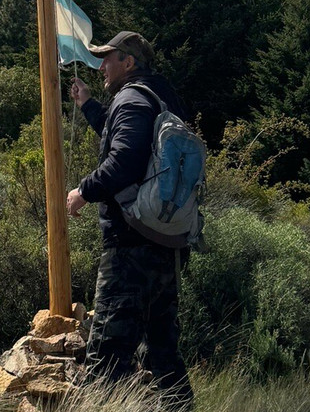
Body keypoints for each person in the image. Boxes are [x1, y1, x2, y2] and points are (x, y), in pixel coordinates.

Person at [66, 31, 193, 408]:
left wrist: (83, 192)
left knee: (107, 355)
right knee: (163, 355)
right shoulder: (161, 97)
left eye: (108, 58)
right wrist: (89, 104)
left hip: (130, 248)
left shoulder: (132, 98)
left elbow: (124, 161)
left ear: (129, 62)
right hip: (166, 243)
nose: (101, 65)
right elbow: (128, 139)